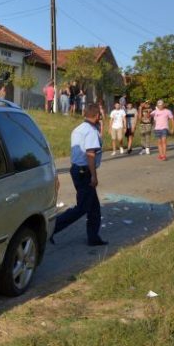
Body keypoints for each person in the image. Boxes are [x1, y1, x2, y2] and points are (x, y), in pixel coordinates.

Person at [52, 104, 108, 247]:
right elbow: (90, 154)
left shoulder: (78, 129)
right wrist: (94, 177)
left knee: (94, 207)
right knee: (82, 207)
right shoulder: (91, 131)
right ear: (96, 116)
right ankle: (52, 228)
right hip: (85, 172)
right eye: (100, 116)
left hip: (76, 169)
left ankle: (93, 237)